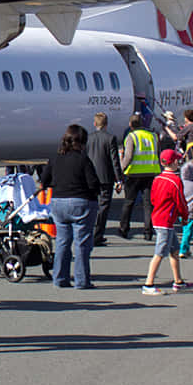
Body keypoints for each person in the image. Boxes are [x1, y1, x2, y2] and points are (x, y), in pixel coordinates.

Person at [45, 122, 100, 290]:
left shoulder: (55, 158)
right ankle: (82, 280)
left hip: (59, 202)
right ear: (82, 142)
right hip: (80, 202)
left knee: (62, 241)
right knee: (82, 243)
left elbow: (45, 180)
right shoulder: (83, 159)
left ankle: (60, 277)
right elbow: (93, 184)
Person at [140, 149, 189, 295]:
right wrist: (184, 216)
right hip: (166, 220)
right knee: (159, 253)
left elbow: (153, 198)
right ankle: (148, 283)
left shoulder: (157, 179)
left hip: (158, 217)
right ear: (174, 162)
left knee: (174, 250)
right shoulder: (175, 180)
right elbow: (180, 201)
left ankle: (178, 281)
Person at [118, 113, 162, 242]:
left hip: (134, 173)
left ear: (131, 125)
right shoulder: (153, 136)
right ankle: (148, 231)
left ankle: (124, 229)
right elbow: (158, 153)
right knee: (148, 204)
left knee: (129, 202)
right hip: (151, 172)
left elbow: (129, 156)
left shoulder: (132, 136)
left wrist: (121, 169)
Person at [86, 112, 121, 247]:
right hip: (105, 177)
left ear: (94, 124)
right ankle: (98, 235)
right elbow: (114, 161)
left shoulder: (88, 138)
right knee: (103, 207)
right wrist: (119, 179)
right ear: (106, 124)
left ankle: (89, 232)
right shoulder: (110, 138)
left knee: (90, 206)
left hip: (91, 177)